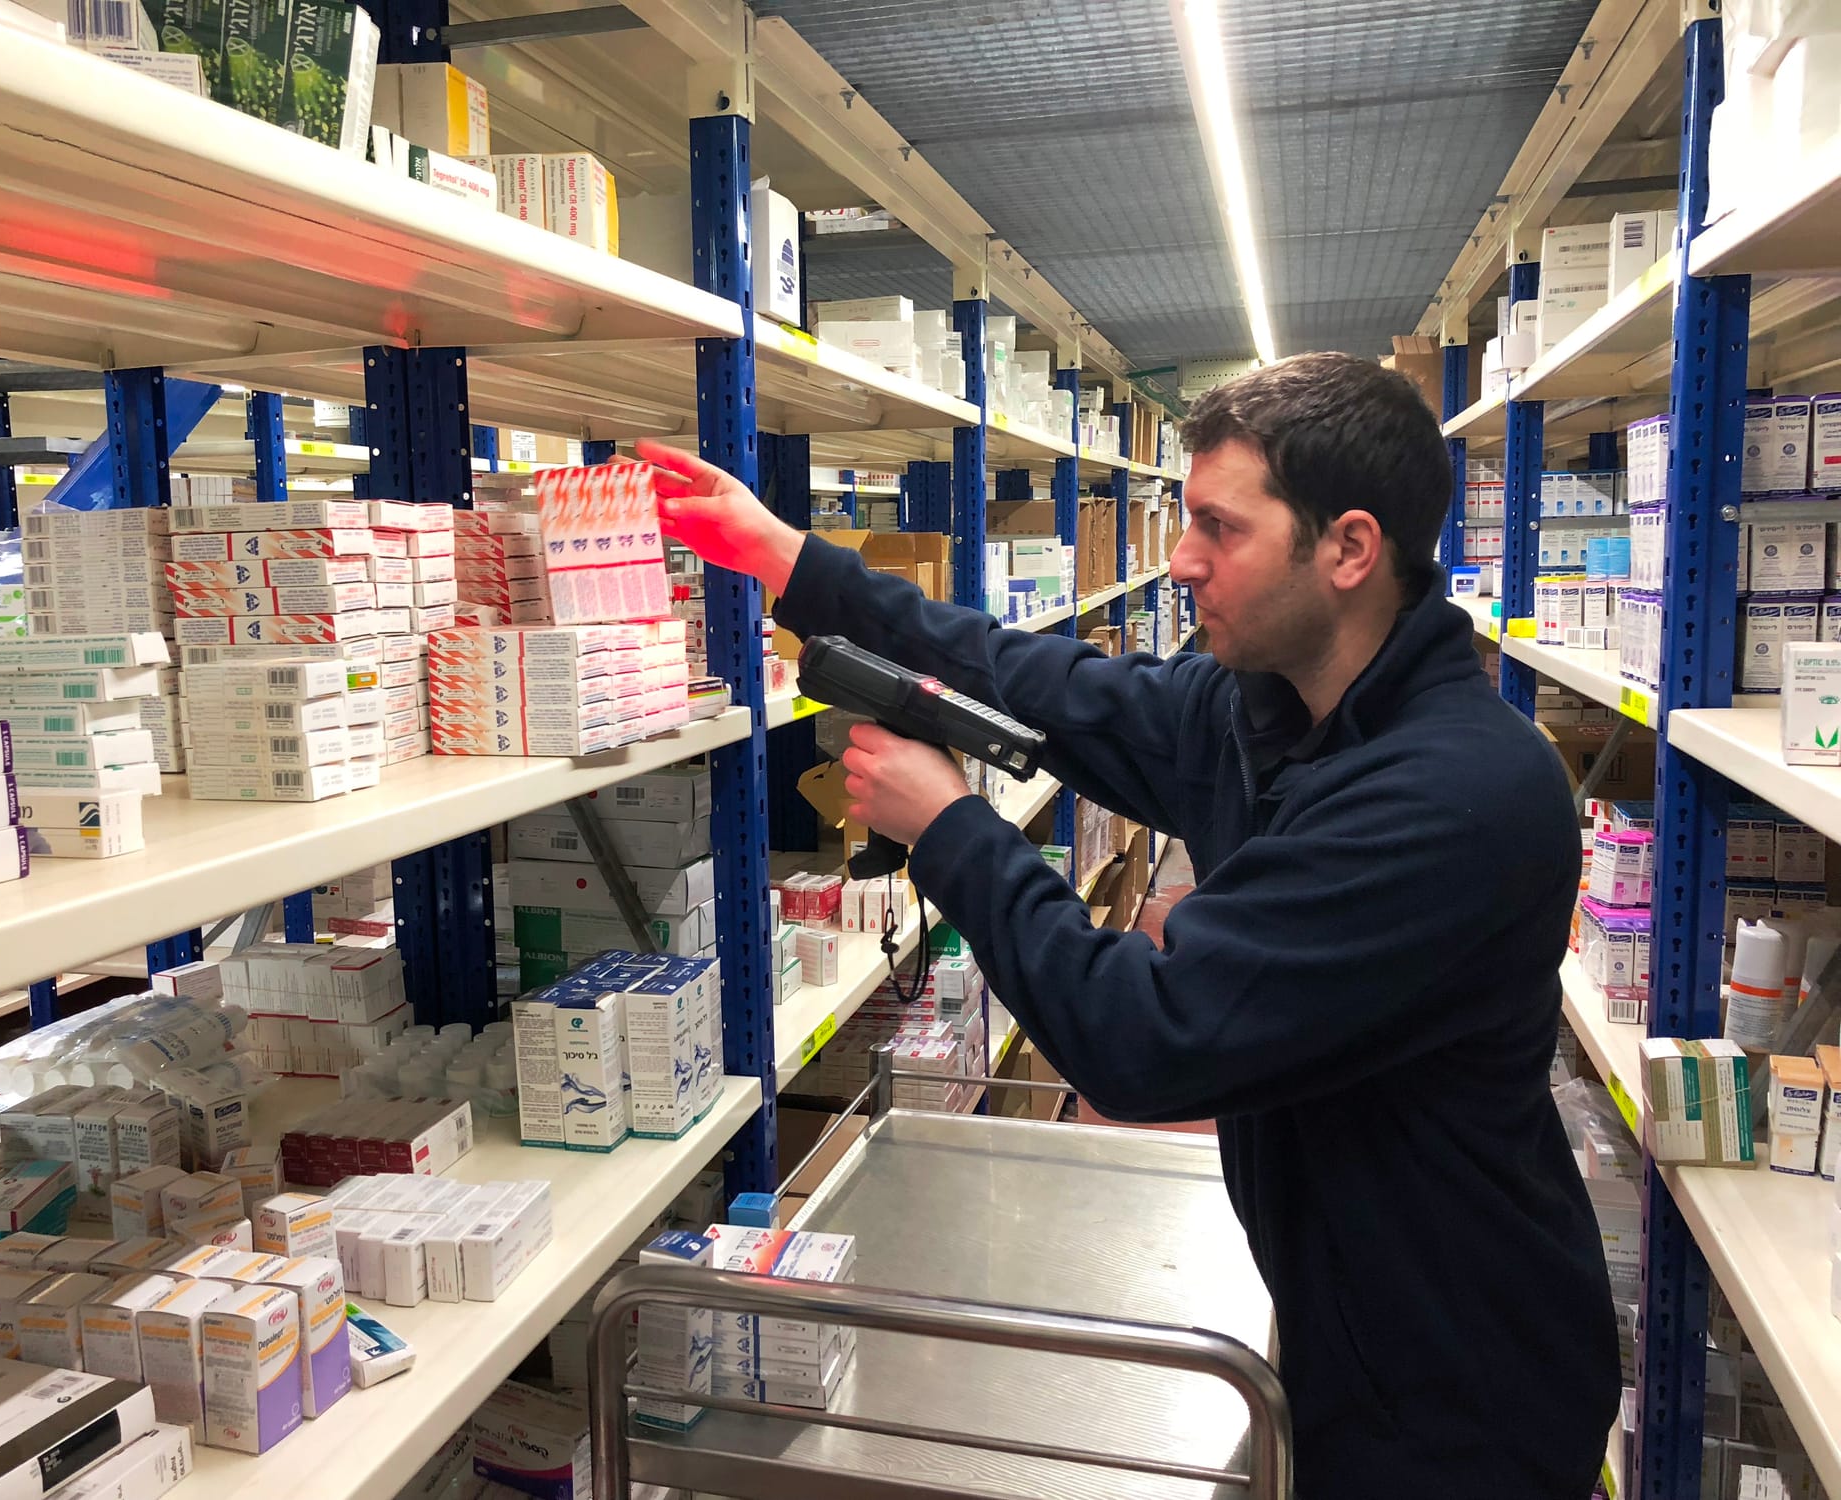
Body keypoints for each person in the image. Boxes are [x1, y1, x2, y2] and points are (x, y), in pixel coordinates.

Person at [635, 350, 1619, 1499]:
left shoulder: (1453, 796)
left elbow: (1144, 1036)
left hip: (1461, 1400)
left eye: (1218, 527)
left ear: (1348, 549)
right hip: (1348, 1324)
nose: (1182, 558)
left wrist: (949, 827)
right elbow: (1032, 680)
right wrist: (786, 560)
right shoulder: (1269, 710)